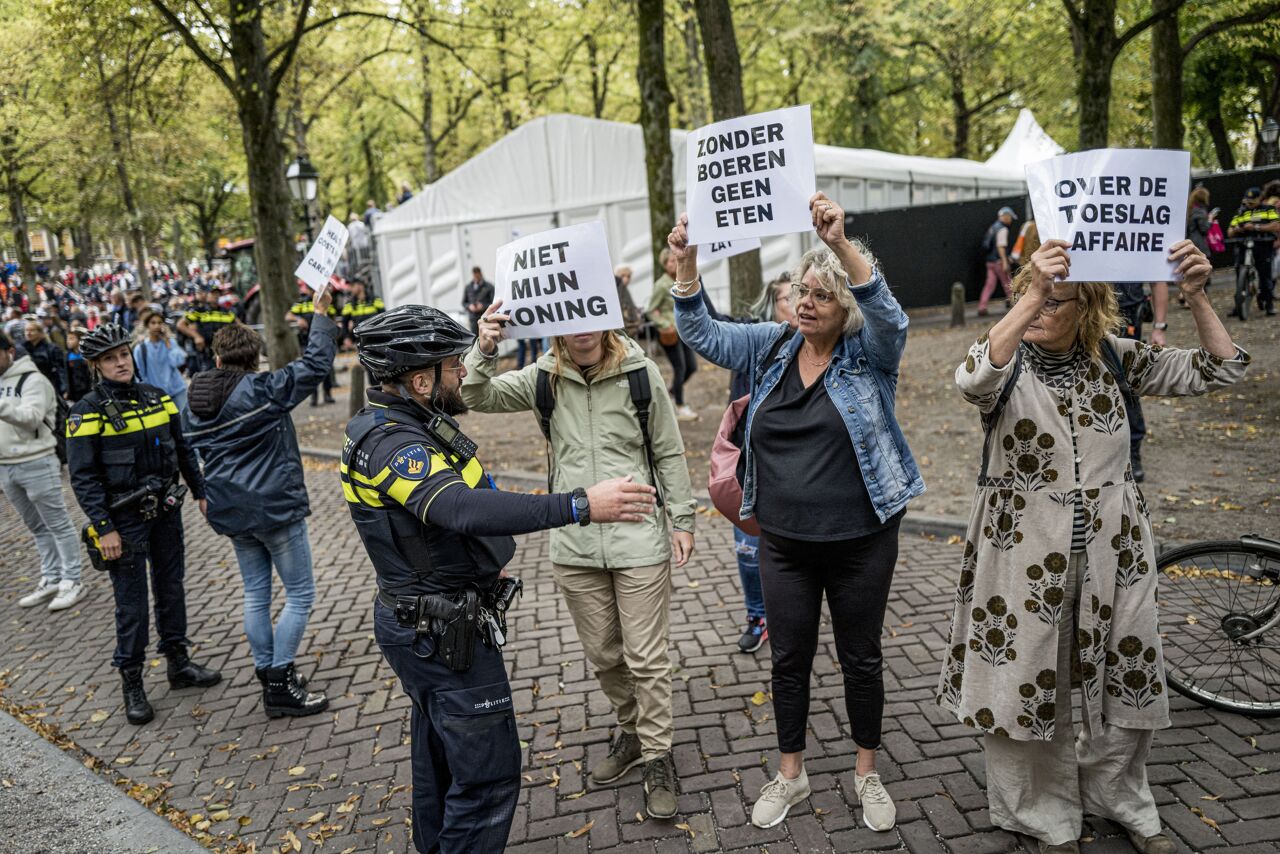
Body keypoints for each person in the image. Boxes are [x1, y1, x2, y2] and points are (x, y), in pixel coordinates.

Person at [939, 239, 1248, 854]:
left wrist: (1194, 295)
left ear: (1090, 306)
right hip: (1020, 554)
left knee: (1128, 669)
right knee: (1028, 679)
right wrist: (1031, 293)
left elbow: (1223, 368)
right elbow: (971, 377)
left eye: (1060, 300)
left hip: (1117, 550)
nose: (1046, 307)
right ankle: (1041, 811)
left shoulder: (1114, 356)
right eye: (1037, 296)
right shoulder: (1006, 367)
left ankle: (1117, 796)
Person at [343, 305, 658, 852]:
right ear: (420, 381)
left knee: (439, 757)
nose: (461, 372)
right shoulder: (393, 444)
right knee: (486, 778)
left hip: (435, 622)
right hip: (438, 633)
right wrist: (580, 504)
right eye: (450, 365)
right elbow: (461, 509)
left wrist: (485, 557)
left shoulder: (403, 421)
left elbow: (463, 504)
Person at [668, 192, 924, 832]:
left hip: (861, 540)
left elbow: (890, 316)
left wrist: (840, 244)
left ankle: (866, 773)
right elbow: (701, 332)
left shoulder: (871, 357)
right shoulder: (771, 345)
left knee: (860, 656)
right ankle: (792, 773)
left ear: (846, 311)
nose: (806, 302)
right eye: (802, 290)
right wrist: (686, 266)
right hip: (783, 541)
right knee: (788, 658)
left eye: (822, 295)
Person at [463, 302, 695, 819]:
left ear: (607, 316)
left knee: (646, 656)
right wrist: (483, 347)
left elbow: (668, 449)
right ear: (554, 326)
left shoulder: (640, 373)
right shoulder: (543, 378)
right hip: (575, 543)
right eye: (569, 322)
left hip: (638, 537)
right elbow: (473, 394)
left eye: (591, 318)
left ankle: (658, 755)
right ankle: (633, 733)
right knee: (606, 655)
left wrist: (682, 518)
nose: (581, 332)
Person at [184, 283, 339, 719]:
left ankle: (267, 674)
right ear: (255, 360)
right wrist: (320, 313)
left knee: (255, 594)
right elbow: (316, 363)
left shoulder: (191, 403)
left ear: (216, 359)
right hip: (273, 507)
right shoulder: (262, 389)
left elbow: (190, 450)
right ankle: (280, 681)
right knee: (300, 593)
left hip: (230, 510)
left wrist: (203, 492)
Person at [66, 323, 220, 726]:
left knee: (172, 589)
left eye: (123, 354)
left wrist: (201, 492)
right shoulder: (86, 411)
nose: (121, 363)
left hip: (166, 512)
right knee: (131, 605)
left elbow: (183, 448)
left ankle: (179, 663)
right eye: (110, 359)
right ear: (96, 366)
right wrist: (103, 527)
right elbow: (83, 477)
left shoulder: (158, 397)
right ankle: (132, 682)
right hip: (124, 522)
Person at [724, 274, 796, 654]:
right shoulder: (752, 342)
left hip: (795, 473)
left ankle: (796, 612)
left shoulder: (827, 347)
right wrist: (688, 276)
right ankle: (757, 615)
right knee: (749, 548)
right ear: (773, 308)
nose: (800, 303)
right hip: (749, 468)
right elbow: (704, 325)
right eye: (790, 297)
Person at [1, 331, 84, 612]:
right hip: (6, 467)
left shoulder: (33, 380)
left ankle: (72, 579)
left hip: (37, 461)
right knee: (36, 526)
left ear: (9, 351)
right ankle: (51, 576)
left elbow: (31, 418)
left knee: (58, 523)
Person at [646, 249, 698, 421]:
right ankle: (680, 406)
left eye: (676, 261)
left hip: (684, 332)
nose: (674, 264)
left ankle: (672, 392)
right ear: (664, 264)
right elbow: (651, 310)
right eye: (670, 262)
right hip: (670, 334)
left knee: (691, 367)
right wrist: (665, 325)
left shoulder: (681, 280)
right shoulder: (661, 285)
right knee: (680, 368)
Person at [1227, 186, 1280, 317]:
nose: (1249, 204)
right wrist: (1236, 230)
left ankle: (1269, 304)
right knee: (1239, 271)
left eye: (1252, 201)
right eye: (1247, 201)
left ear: (1259, 199)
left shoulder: (1268, 209)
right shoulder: (1241, 212)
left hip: (1263, 245)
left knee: (1264, 274)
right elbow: (1230, 231)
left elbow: (1276, 225)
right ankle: (1238, 303)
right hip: (1244, 245)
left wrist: (1256, 227)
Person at [289, 283, 338, 405]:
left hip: (322, 339)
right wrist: (298, 319)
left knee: (326, 368)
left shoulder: (324, 302)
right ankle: (313, 398)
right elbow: (288, 315)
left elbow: (332, 315)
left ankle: (327, 395)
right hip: (306, 340)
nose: (312, 291)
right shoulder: (302, 302)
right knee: (310, 367)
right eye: (311, 289)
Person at [133, 308, 190, 412]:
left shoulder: (170, 343)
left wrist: (168, 342)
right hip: (155, 394)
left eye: (160, 323)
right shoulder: (141, 348)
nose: (157, 326)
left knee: (182, 421)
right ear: (147, 325)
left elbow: (178, 361)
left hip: (177, 390)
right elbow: (139, 374)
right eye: (153, 323)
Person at [178, 290, 239, 373]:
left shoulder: (227, 312)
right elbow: (180, 325)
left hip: (225, 352)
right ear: (207, 295)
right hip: (206, 352)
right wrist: (196, 337)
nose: (216, 296)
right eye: (213, 294)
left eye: (217, 294)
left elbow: (240, 326)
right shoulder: (199, 310)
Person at [978, 206, 1018, 316]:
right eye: (1010, 217)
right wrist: (1004, 261)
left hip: (990, 261)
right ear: (1005, 216)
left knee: (989, 285)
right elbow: (1001, 246)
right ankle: (1015, 305)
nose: (1011, 220)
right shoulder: (1002, 229)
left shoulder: (993, 227)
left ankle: (982, 306)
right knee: (1008, 283)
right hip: (999, 261)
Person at [24, 318, 67, 399]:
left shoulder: (52, 349)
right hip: (28, 387)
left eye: (32, 330)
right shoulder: (22, 349)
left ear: (40, 333)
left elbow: (61, 370)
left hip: (49, 385)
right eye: (26, 330)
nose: (28, 333)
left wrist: (64, 389)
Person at [340, 278, 385, 347]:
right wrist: (346, 338)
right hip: (361, 341)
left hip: (378, 339)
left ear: (360, 286)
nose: (350, 289)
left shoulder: (375, 299)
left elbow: (384, 317)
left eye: (352, 286)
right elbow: (344, 323)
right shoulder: (349, 304)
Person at [462, 267, 493, 335]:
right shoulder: (468, 287)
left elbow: (493, 303)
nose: (476, 277)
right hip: (473, 320)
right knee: (476, 340)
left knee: (489, 339)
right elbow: (464, 303)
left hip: (486, 318)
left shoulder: (489, 286)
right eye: (475, 275)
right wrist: (469, 306)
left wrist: (483, 306)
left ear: (480, 274)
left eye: (477, 274)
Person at [615, 265, 643, 338]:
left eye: (628, 276)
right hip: (622, 329)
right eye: (623, 275)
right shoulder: (618, 289)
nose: (626, 279)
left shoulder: (624, 289)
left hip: (629, 328)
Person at [65, 328, 93, 402]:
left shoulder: (87, 355)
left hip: (88, 389)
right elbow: (67, 375)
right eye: (67, 339)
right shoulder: (68, 356)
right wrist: (67, 390)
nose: (68, 341)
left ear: (79, 340)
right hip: (75, 391)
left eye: (71, 339)